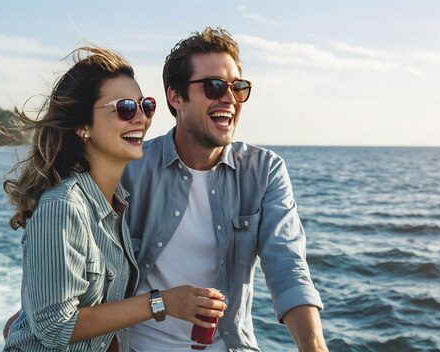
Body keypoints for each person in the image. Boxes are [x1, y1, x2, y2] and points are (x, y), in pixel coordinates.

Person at [1, 46, 226, 352]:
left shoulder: (115, 205)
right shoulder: (64, 207)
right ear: (82, 126)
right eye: (124, 108)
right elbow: (55, 327)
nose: (141, 119)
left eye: (145, 106)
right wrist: (162, 303)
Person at [121, 28, 328, 351]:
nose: (229, 98)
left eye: (238, 87)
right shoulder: (130, 169)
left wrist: (314, 348)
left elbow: (287, 267)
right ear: (175, 97)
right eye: (214, 86)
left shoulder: (265, 171)